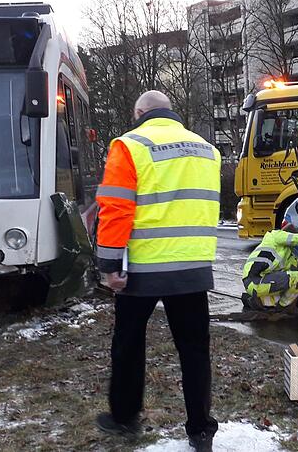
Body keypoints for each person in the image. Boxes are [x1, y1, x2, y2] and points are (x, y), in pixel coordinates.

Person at [94, 91, 221, 451]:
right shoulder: (207, 149)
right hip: (192, 269)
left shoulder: (129, 145)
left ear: (139, 112)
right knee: (195, 350)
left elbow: (116, 210)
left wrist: (110, 266)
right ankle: (200, 431)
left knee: (129, 345)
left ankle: (124, 419)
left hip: (143, 270)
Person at [241, 223, 298, 310]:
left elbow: (297, 284)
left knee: (288, 290)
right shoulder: (275, 235)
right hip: (254, 281)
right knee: (295, 277)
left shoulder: (288, 256)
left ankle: (258, 301)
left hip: (257, 283)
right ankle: (283, 308)